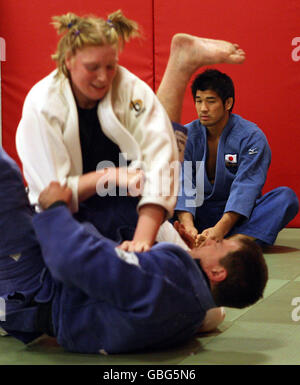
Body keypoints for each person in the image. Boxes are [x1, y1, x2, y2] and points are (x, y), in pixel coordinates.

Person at [15, 10, 247, 252]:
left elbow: (161, 159)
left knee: (184, 268)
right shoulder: (42, 105)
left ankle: (181, 64)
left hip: (129, 200)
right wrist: (109, 176)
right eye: (92, 67)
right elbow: (52, 196)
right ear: (68, 61)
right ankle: (181, 64)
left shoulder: (127, 86)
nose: (103, 77)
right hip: (69, 214)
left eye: (110, 66)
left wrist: (143, 241)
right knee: (100, 268)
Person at [0, 147, 268, 354]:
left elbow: (74, 262)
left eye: (219, 244)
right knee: (130, 205)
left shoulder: (168, 280)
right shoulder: (193, 312)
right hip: (40, 306)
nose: (211, 239)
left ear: (217, 272)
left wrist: (56, 210)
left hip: (32, 292)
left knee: (5, 175)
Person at [175, 69, 299, 246]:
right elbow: (182, 183)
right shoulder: (185, 136)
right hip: (197, 213)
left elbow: (247, 186)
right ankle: (196, 239)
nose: (203, 108)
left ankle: (230, 243)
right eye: (198, 101)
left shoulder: (251, 137)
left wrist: (220, 230)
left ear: (228, 103)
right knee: (149, 198)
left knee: (286, 199)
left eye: (210, 101)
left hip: (236, 218)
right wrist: (188, 227)